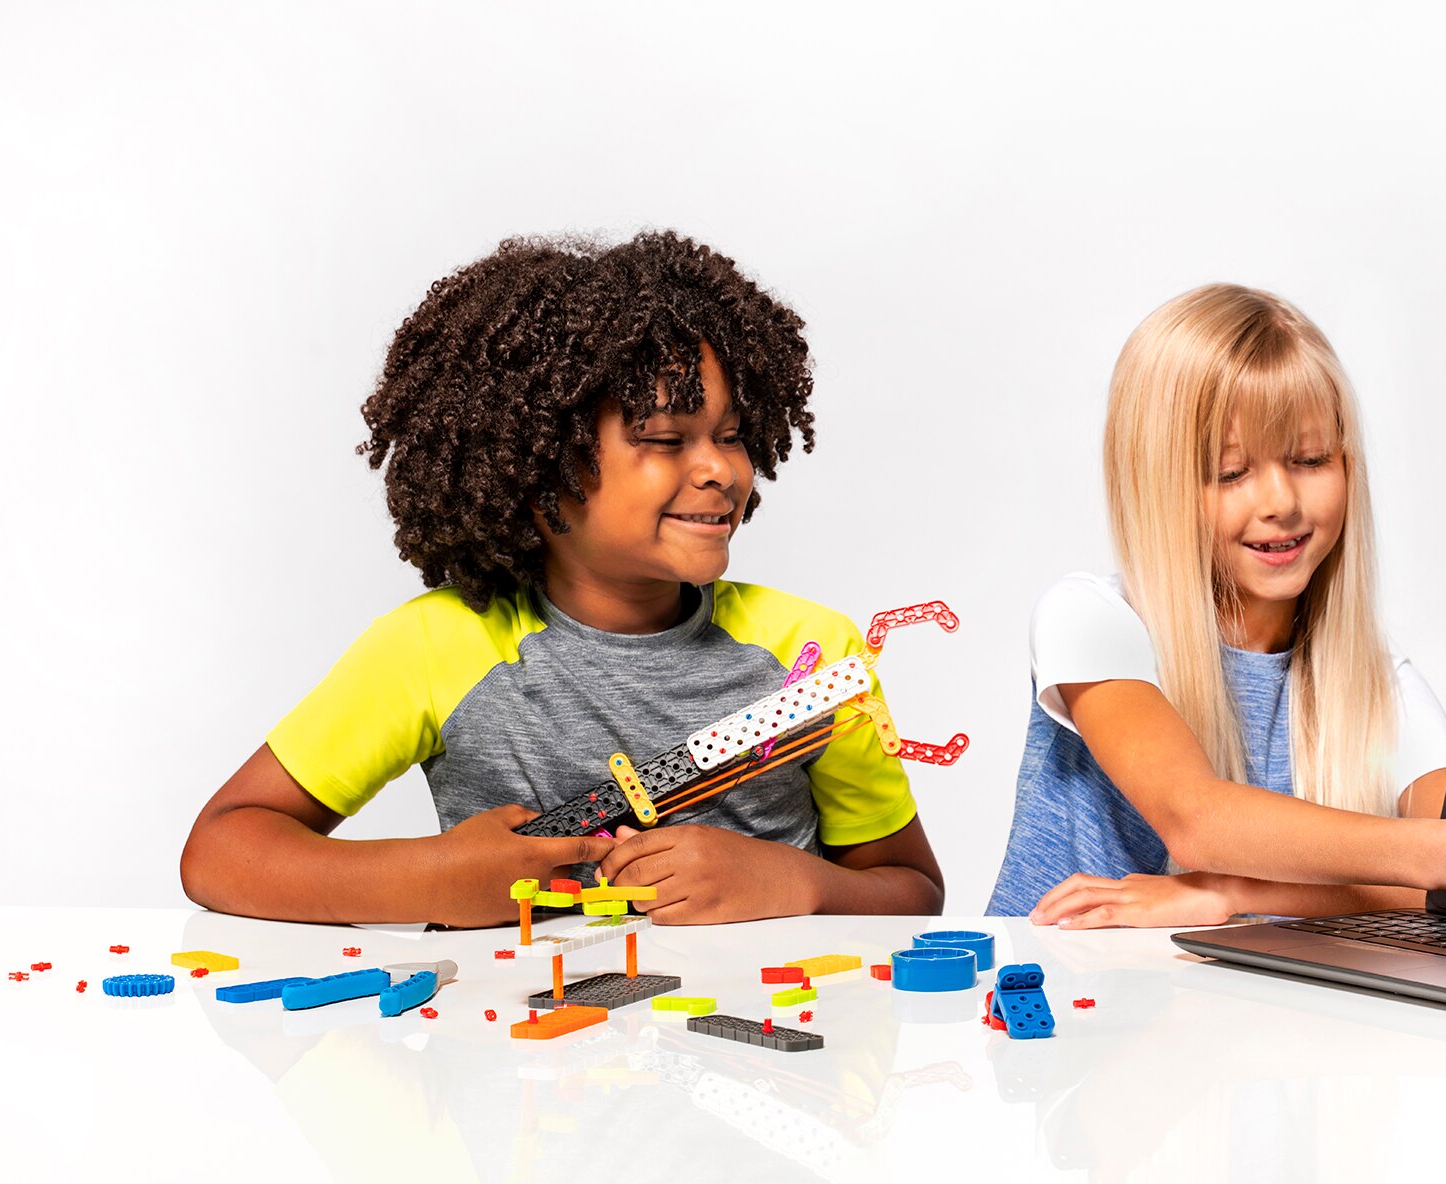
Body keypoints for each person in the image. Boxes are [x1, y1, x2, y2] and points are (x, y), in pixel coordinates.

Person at [181, 231, 944, 927]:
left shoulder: (813, 650)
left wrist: (793, 881)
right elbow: (219, 851)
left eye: (732, 435)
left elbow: (910, 889)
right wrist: (432, 877)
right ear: (539, 467)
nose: (720, 469)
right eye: (664, 438)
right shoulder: (434, 646)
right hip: (513, 1061)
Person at [986, 284, 1446, 926]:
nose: (1280, 501)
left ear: (1348, 469)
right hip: (1053, 1004)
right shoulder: (1091, 619)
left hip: (1215, 1023)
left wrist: (1234, 893)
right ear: (1154, 486)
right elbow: (1196, 821)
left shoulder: (1380, 688)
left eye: (1308, 458)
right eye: (1231, 472)